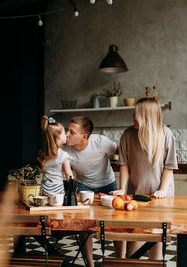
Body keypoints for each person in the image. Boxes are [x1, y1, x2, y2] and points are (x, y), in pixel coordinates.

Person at [111, 97, 178, 260]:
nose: (133, 117)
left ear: (149, 117)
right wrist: (123, 188)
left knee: (155, 240)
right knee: (134, 236)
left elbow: (169, 166)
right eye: (134, 113)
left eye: (138, 115)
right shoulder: (127, 135)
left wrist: (162, 190)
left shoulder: (166, 134)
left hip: (160, 197)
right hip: (136, 196)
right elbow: (124, 164)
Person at [64, 116, 118, 267]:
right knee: (84, 226)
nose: (66, 134)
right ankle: (90, 264)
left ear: (84, 136)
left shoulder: (100, 142)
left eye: (71, 132)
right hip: (84, 186)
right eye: (67, 130)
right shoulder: (64, 147)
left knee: (117, 223)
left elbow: (123, 151)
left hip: (108, 184)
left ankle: (121, 260)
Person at [38, 116, 73, 195]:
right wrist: (72, 190)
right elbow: (68, 174)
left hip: (44, 190)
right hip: (58, 191)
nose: (66, 135)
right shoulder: (63, 155)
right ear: (57, 138)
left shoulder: (43, 155)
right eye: (64, 133)